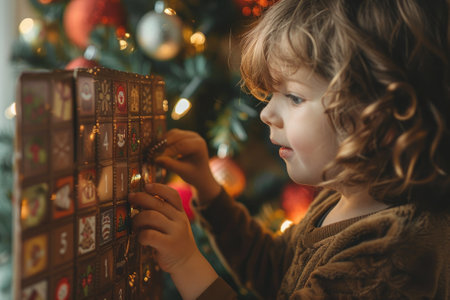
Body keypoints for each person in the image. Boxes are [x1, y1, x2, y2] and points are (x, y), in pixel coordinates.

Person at [129, 0, 450, 298]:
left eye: (294, 97)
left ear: (381, 117)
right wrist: (207, 188)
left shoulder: (392, 255)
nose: (267, 114)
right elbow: (273, 268)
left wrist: (186, 263)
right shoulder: (344, 194)